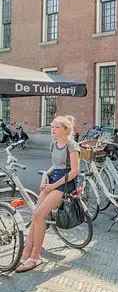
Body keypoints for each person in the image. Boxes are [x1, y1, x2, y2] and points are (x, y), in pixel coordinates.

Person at [16, 115, 80, 273]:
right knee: (36, 215)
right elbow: (55, 165)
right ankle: (27, 251)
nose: (53, 130)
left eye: (56, 127)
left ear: (66, 130)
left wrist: (53, 186)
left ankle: (35, 257)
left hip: (65, 183)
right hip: (52, 179)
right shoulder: (54, 144)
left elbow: (74, 171)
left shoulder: (71, 145)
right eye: (52, 127)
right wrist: (45, 176)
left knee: (39, 215)